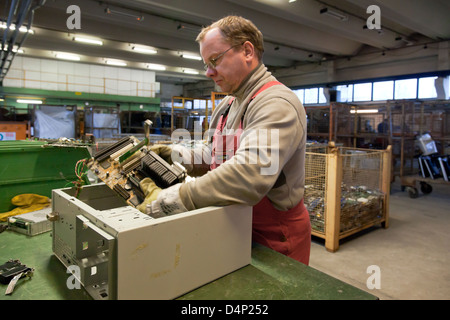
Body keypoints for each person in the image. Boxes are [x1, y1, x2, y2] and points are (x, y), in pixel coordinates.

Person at [139, 15, 311, 265]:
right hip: (232, 224)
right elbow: (213, 155)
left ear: (247, 51)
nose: (208, 72)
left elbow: (249, 175)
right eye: (206, 64)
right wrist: (173, 153)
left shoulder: (276, 104)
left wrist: (176, 199)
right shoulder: (228, 104)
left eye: (215, 60)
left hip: (273, 237)